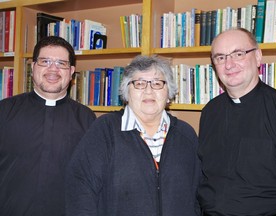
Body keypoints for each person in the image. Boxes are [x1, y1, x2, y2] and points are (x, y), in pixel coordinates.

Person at [65, 55, 201, 216]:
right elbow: (81, 189)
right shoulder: (105, 129)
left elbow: (197, 196)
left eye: (157, 83)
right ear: (126, 91)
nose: (149, 91)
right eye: (139, 83)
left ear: (169, 91)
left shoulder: (185, 134)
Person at [0, 36, 96, 216]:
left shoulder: (87, 119)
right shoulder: (4, 111)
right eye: (45, 61)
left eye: (62, 63)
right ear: (33, 66)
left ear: (72, 71)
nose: (53, 69)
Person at [198, 27, 276, 215]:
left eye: (238, 54)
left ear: (257, 57)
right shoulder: (209, 112)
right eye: (220, 57)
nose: (229, 65)